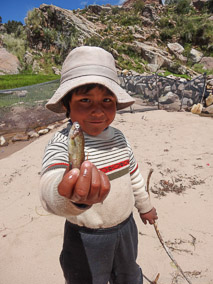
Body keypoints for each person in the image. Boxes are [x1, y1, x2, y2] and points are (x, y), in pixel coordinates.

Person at [39, 46, 158, 284]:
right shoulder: (63, 141)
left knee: (128, 275)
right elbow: (49, 182)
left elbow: (133, 176)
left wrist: (145, 206)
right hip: (85, 236)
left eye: (107, 100)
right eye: (84, 100)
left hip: (126, 228)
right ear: (66, 105)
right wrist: (69, 195)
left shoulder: (119, 137)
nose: (97, 110)